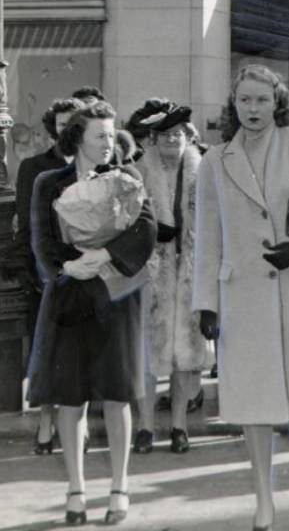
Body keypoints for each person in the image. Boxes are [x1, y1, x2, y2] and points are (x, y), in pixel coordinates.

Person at [193, 65, 289, 531]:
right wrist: (206, 302)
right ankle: (264, 499)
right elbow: (208, 238)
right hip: (241, 295)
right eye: (245, 101)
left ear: (277, 103)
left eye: (262, 100)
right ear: (233, 105)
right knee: (252, 400)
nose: (253, 110)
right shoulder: (215, 160)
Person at [27, 100, 157, 526]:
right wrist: (66, 266)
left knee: (118, 394)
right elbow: (41, 239)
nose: (107, 143)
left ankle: (119, 488)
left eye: (110, 134)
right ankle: (76, 490)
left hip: (117, 296)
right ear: (77, 138)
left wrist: (104, 253)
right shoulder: (50, 183)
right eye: (98, 135)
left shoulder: (128, 177)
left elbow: (147, 228)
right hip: (70, 297)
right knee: (71, 397)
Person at [130, 100, 212, 455]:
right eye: (164, 135)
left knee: (186, 355)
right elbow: (125, 220)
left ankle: (179, 426)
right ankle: (145, 426)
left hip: (191, 273)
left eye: (178, 134)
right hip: (150, 273)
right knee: (148, 353)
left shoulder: (203, 173)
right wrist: (149, 232)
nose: (171, 140)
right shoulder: (138, 172)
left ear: (189, 138)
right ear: (152, 139)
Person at [13, 98, 85, 456]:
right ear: (52, 128)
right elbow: (28, 225)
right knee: (46, 350)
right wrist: (40, 271)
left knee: (80, 352)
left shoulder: (96, 164)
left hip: (87, 273)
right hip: (46, 273)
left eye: (74, 122)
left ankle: (77, 426)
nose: (67, 129)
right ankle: (45, 421)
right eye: (61, 124)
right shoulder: (34, 168)